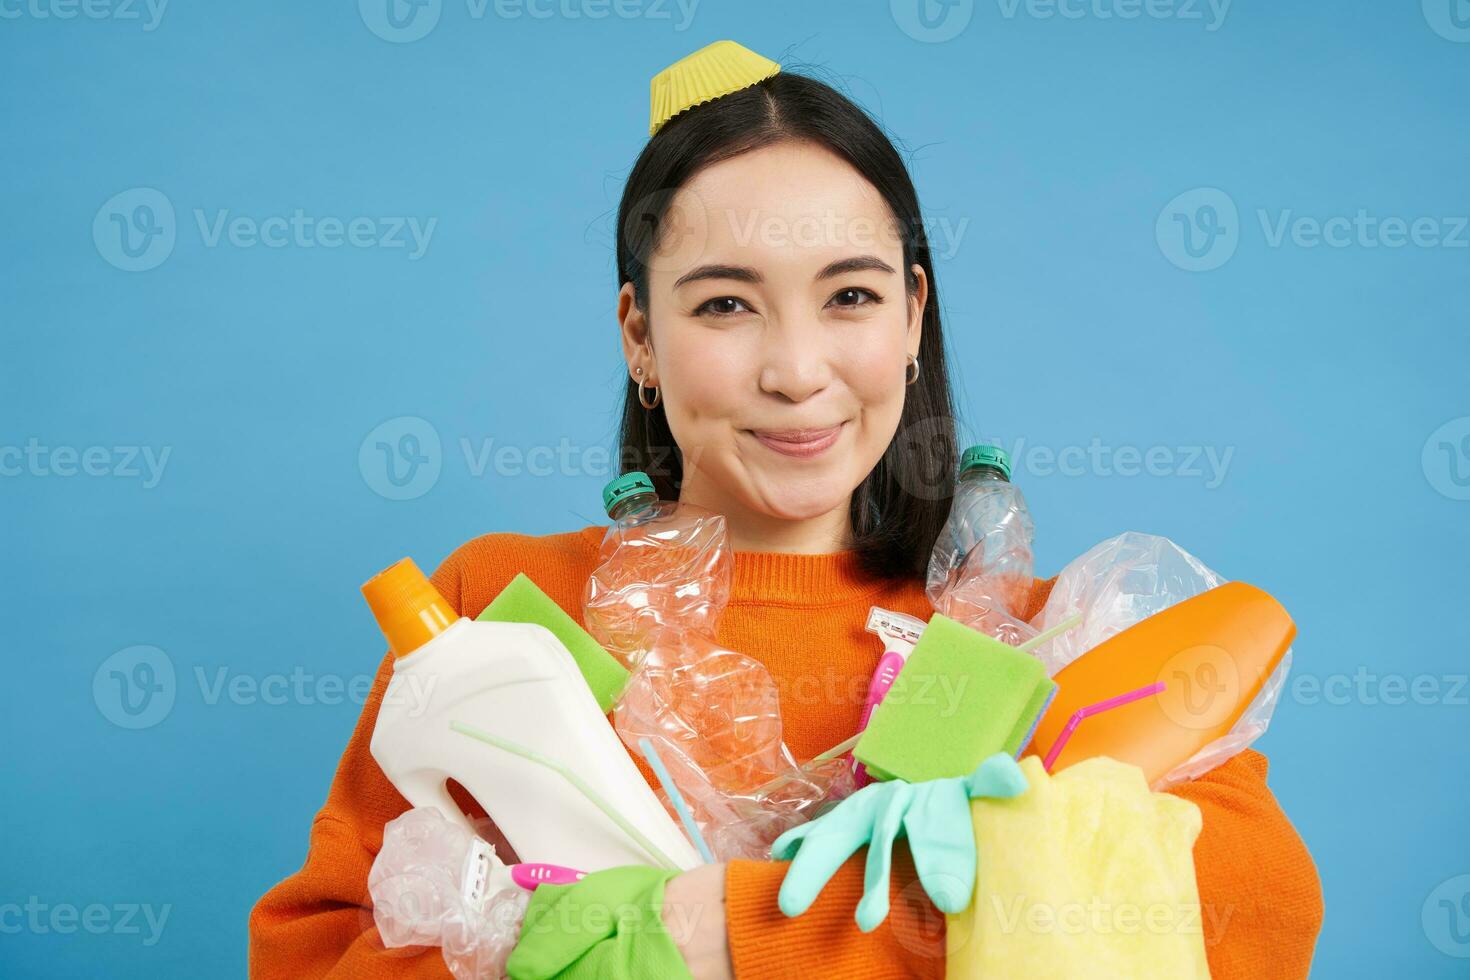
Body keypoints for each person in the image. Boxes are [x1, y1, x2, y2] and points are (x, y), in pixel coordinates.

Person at [249, 42, 1323, 979]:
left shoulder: (1041, 643)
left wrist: (730, 936)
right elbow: (314, 953)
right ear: (638, 335)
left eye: (850, 294)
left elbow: (1259, 913)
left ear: (913, 313)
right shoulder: (507, 612)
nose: (797, 370)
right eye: (725, 303)